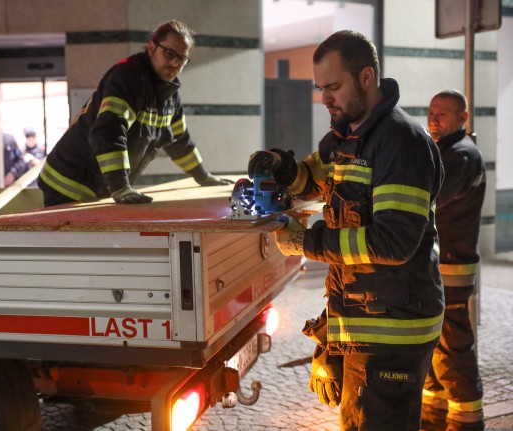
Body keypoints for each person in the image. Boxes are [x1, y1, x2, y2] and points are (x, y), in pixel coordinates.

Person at [248, 30, 445, 431]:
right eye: (321, 88)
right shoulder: (347, 136)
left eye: (334, 86)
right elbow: (312, 181)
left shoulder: (399, 143)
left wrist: (306, 242)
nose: (325, 99)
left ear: (367, 77)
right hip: (368, 320)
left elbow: (393, 242)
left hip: (391, 331)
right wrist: (282, 169)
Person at [38, 19, 232, 206]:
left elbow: (180, 141)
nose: (175, 63)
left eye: (181, 58)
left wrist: (204, 177)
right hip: (67, 182)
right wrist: (121, 187)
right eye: (169, 53)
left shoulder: (170, 96)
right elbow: (108, 132)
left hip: (98, 187)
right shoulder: (127, 78)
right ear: (151, 48)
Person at [421, 90, 486, 431]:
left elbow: (430, 197)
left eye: (443, 113)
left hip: (452, 268)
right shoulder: (446, 151)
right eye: (432, 112)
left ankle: (466, 420)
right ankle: (433, 414)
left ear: (463, 118)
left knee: (453, 345)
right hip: (441, 268)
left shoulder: (460, 156)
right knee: (435, 344)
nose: (434, 118)